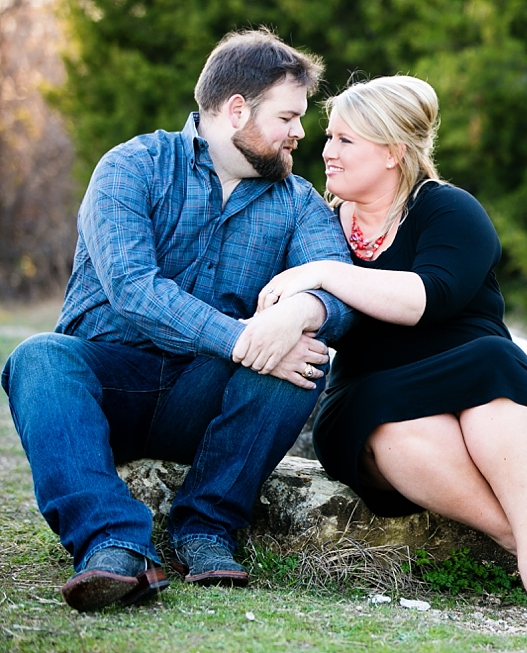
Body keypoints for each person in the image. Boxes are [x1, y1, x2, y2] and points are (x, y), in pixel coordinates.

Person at [0, 29, 354, 612]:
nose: (300, 133)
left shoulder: (298, 202)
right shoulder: (132, 167)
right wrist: (245, 336)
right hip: (108, 383)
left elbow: (340, 290)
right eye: (288, 116)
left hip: (204, 395)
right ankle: (112, 545)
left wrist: (302, 310)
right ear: (237, 109)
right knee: (37, 358)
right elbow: (135, 290)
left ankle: (206, 526)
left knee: (303, 359)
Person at [257, 75, 527, 630]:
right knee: (384, 425)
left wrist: (323, 272)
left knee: (498, 364)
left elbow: (427, 297)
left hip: (474, 374)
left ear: (393, 152)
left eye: (345, 140)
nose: (326, 150)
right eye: (329, 137)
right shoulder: (317, 220)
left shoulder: (449, 210)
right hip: (371, 392)